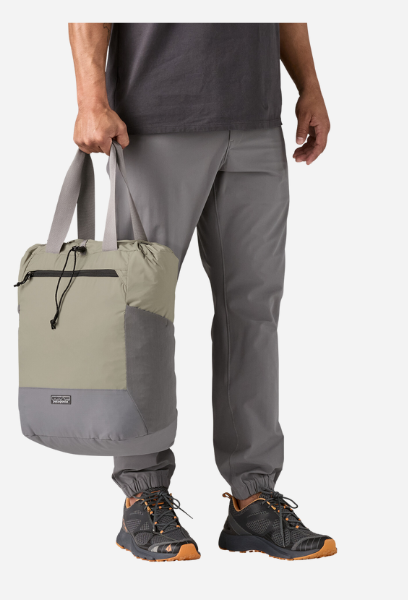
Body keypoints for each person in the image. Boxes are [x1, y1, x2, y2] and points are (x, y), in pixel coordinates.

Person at [69, 23, 334, 562]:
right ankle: (142, 496)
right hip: (153, 117)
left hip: (256, 117)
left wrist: (308, 83)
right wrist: (90, 98)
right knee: (140, 315)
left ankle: (253, 498)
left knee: (253, 313)